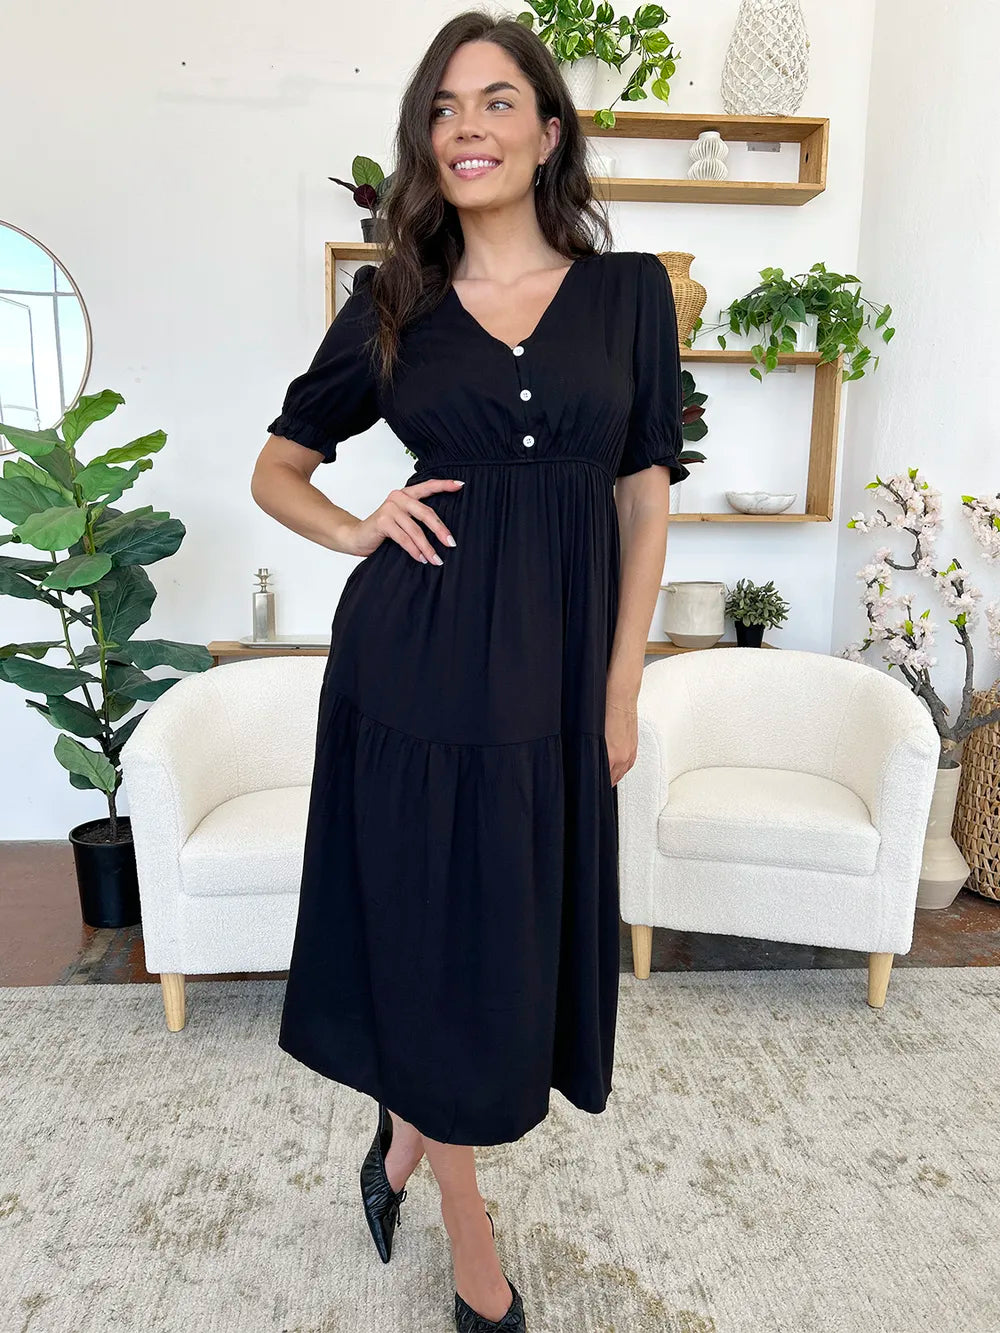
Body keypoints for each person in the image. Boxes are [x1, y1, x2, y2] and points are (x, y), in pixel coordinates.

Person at [250, 10, 687, 1330]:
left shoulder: (631, 294)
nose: (467, 129)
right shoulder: (392, 305)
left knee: (506, 948)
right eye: (442, 109)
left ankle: (400, 1134)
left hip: (556, 687)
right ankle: (470, 1238)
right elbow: (279, 468)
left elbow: (646, 494)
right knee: (433, 941)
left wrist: (620, 685)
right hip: (416, 675)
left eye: (497, 102)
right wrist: (358, 526)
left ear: (550, 132)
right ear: (424, 143)